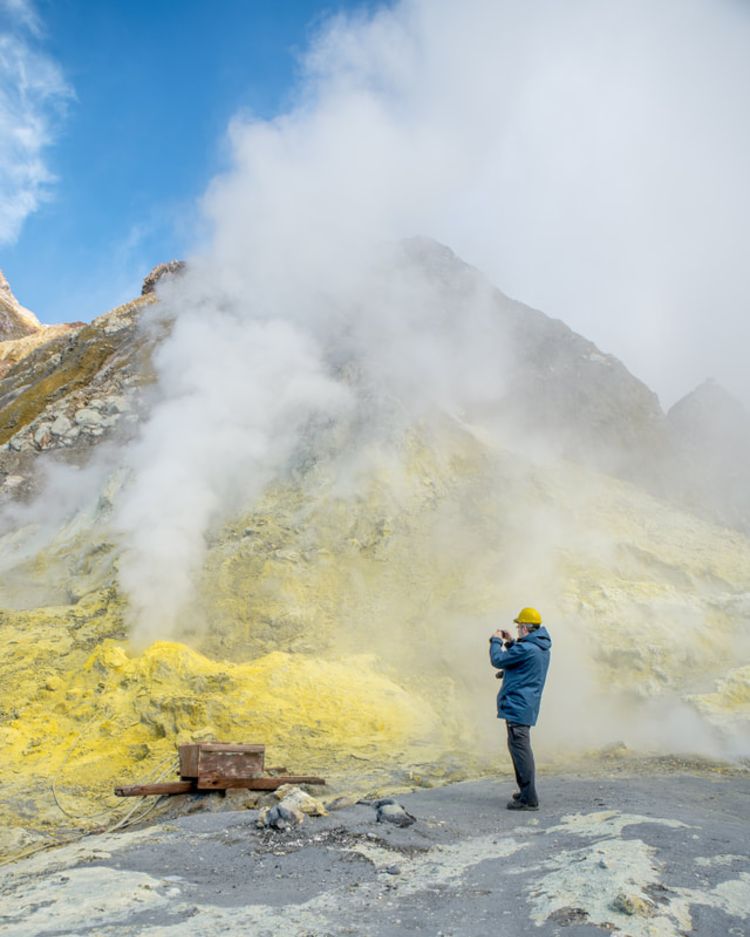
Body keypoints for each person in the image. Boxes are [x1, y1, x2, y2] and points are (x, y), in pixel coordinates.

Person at [489, 607, 551, 811]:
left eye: (518, 627)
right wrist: (510, 643)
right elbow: (522, 661)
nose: (516, 630)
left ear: (525, 627)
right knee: (520, 749)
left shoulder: (526, 649)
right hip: (527, 705)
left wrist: (496, 641)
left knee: (521, 752)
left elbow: (497, 660)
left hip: (518, 705)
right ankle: (526, 792)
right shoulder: (540, 647)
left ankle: (529, 799)